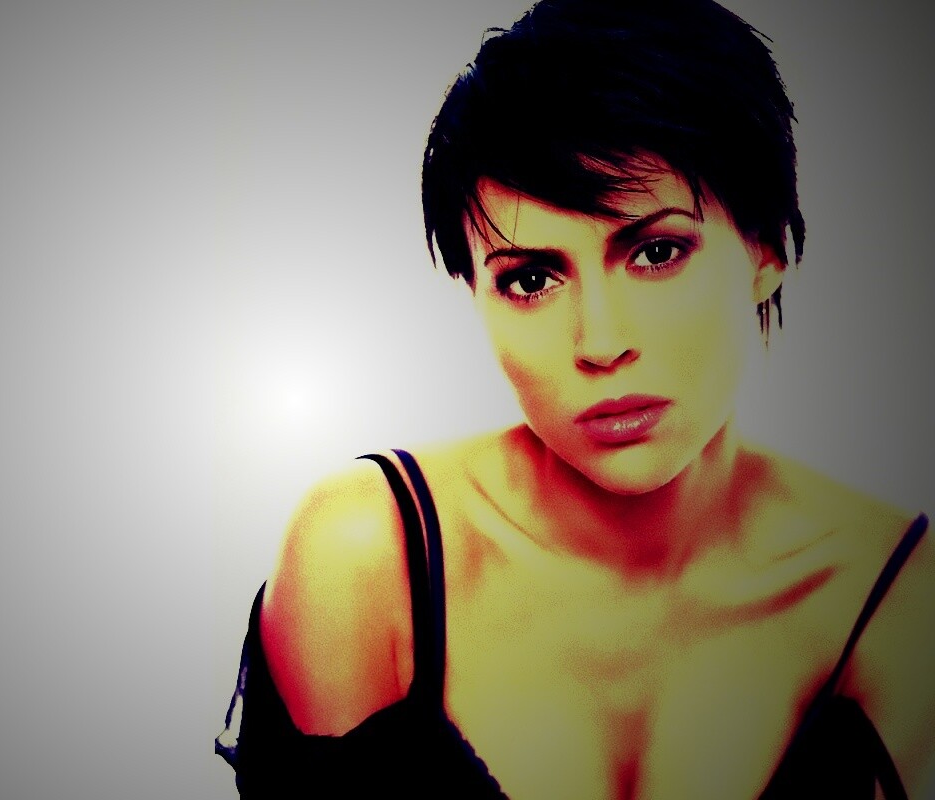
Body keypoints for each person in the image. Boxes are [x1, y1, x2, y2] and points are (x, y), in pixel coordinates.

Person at [216, 0, 935, 796]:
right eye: (531, 278)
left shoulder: (899, 600)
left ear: (765, 250)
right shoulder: (367, 556)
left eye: (656, 252)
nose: (600, 341)